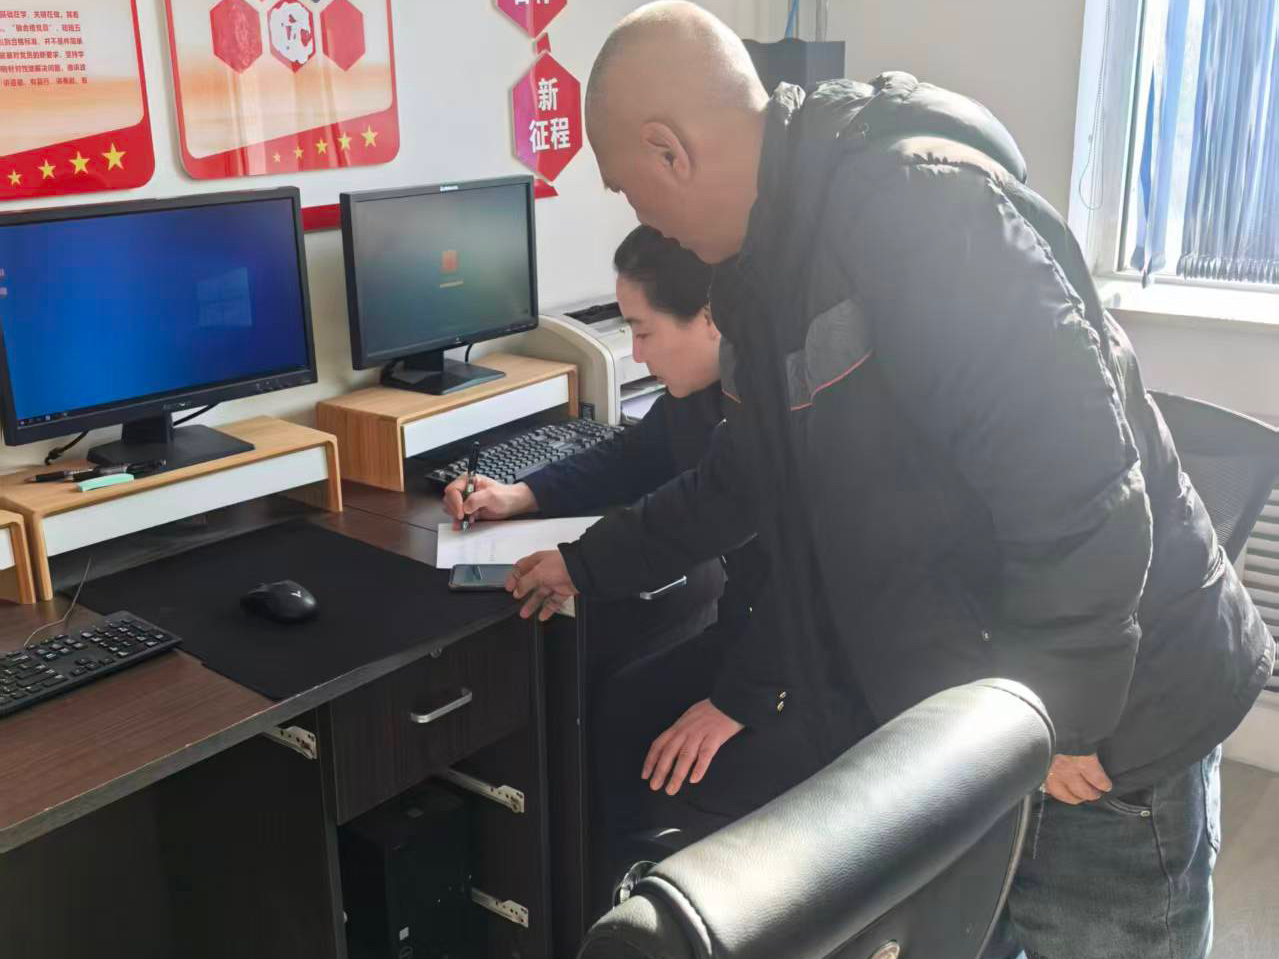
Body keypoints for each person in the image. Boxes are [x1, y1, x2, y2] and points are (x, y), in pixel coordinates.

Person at [506, 4, 1275, 959]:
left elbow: (1078, 486)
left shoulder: (920, 209)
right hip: (988, 712)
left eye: (628, 189)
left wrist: (1058, 715)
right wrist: (587, 563)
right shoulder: (765, 272)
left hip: (1104, 728)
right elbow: (742, 478)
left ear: (672, 151)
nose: (638, 217)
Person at [444, 225, 842, 851]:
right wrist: (522, 494)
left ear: (710, 318)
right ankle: (623, 887)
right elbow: (634, 456)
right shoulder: (700, 397)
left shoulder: (776, 409)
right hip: (757, 629)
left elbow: (813, 575)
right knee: (625, 705)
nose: (635, 354)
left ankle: (670, 886)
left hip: (812, 657)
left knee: (657, 741)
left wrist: (741, 701)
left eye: (644, 331)